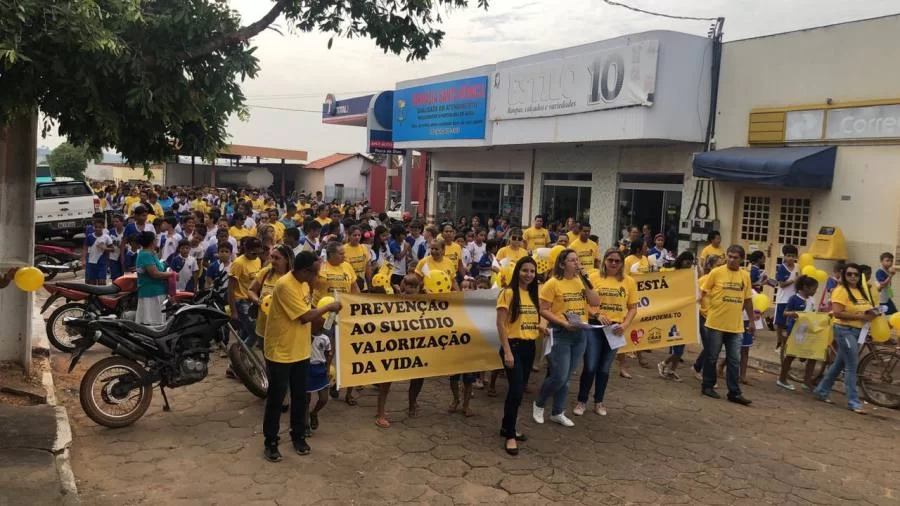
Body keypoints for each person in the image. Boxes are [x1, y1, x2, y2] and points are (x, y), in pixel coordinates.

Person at [261, 251, 342, 462]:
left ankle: (298, 435)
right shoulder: (286, 285)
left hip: (300, 350)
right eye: (315, 273)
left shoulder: (305, 284)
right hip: (280, 351)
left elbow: (308, 308)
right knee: (276, 399)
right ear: (305, 271)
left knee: (300, 397)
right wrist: (328, 307)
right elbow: (305, 317)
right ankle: (270, 441)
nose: (318, 276)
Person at [532, 249, 601, 427]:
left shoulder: (581, 281)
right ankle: (539, 403)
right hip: (561, 333)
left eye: (577, 260)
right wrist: (562, 323)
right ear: (562, 264)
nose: (576, 263)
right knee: (559, 375)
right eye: (572, 260)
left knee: (568, 376)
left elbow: (595, 302)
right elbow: (543, 309)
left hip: (580, 333)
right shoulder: (553, 283)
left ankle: (558, 411)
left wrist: (586, 281)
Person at [575, 248, 637, 416]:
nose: (614, 264)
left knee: (604, 369)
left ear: (622, 263)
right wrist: (596, 313)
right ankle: (581, 401)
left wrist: (624, 325)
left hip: (615, 330)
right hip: (595, 327)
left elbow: (633, 308)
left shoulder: (629, 281)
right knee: (590, 366)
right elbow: (583, 301)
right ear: (604, 261)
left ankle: (599, 402)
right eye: (611, 260)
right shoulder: (594, 277)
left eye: (618, 261)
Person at [814, 263, 874, 414]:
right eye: (849, 274)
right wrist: (860, 316)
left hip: (858, 331)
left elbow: (864, 308)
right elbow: (837, 313)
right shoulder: (840, 291)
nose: (853, 277)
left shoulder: (861, 291)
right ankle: (853, 401)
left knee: (839, 364)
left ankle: (821, 390)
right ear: (844, 276)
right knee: (852, 366)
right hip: (844, 330)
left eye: (855, 274)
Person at [496, 256, 542, 456]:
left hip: (529, 347)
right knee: (515, 391)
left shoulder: (533, 294)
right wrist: (506, 350)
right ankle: (510, 436)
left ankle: (507, 426)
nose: (529, 275)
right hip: (512, 346)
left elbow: (535, 319)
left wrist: (543, 327)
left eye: (532, 271)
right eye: (525, 270)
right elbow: (501, 324)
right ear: (518, 272)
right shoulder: (508, 293)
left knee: (520, 390)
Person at [700, 245, 755, 406]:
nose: (731, 260)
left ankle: (734, 392)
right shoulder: (716, 272)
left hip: (735, 325)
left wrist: (751, 320)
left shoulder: (745, 276)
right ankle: (708, 386)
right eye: (729, 256)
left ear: (742, 259)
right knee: (712, 356)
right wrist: (701, 308)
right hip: (715, 322)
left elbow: (748, 300)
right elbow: (702, 291)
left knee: (734, 359)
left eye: (735, 257)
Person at [375, 274, 425, 428]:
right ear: (402, 286)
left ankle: (412, 404)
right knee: (386, 381)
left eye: (413, 286)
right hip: (394, 346)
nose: (409, 289)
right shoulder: (393, 302)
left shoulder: (425, 303)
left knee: (417, 378)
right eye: (406, 285)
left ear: (419, 288)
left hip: (416, 346)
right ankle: (380, 413)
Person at [777, 275, 820, 391]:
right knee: (791, 356)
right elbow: (785, 312)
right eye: (814, 289)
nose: (816, 291)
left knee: (812, 356)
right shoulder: (794, 299)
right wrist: (793, 314)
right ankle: (782, 379)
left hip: (809, 332)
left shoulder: (811, 300)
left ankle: (807, 381)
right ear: (805, 287)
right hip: (796, 332)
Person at [249, 244, 293, 350]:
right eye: (272, 257)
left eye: (277, 258)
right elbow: (251, 290)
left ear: (287, 259)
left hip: (284, 329)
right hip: (263, 327)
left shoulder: (293, 277)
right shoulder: (265, 273)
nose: (273, 261)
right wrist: (257, 300)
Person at [134, 231, 175, 326]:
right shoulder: (145, 255)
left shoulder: (151, 253)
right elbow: (155, 274)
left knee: (158, 321)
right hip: (151, 293)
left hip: (158, 291)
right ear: (152, 241)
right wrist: (171, 274)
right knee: (151, 322)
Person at [229, 237, 263, 348]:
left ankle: (237, 361)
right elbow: (231, 289)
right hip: (241, 300)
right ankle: (241, 355)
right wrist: (233, 311)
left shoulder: (257, 260)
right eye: (253, 253)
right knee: (254, 333)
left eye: (258, 252)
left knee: (245, 334)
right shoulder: (238, 263)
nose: (256, 255)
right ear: (246, 249)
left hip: (253, 299)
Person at [774, 245, 799, 349]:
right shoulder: (781, 268)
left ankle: (789, 343)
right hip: (782, 299)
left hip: (793, 299)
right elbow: (782, 284)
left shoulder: (798, 267)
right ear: (784, 257)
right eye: (788, 256)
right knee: (780, 323)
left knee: (793, 323)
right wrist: (794, 280)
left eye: (793, 256)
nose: (791, 258)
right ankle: (779, 341)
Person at [84, 216, 113, 286]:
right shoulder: (89, 236)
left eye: (99, 227)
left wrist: (105, 248)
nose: (97, 229)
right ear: (93, 227)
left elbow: (112, 249)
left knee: (102, 282)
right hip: (91, 262)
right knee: (92, 283)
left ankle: (102, 296)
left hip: (102, 263)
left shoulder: (106, 237)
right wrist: (83, 259)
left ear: (103, 227)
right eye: (95, 227)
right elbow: (85, 247)